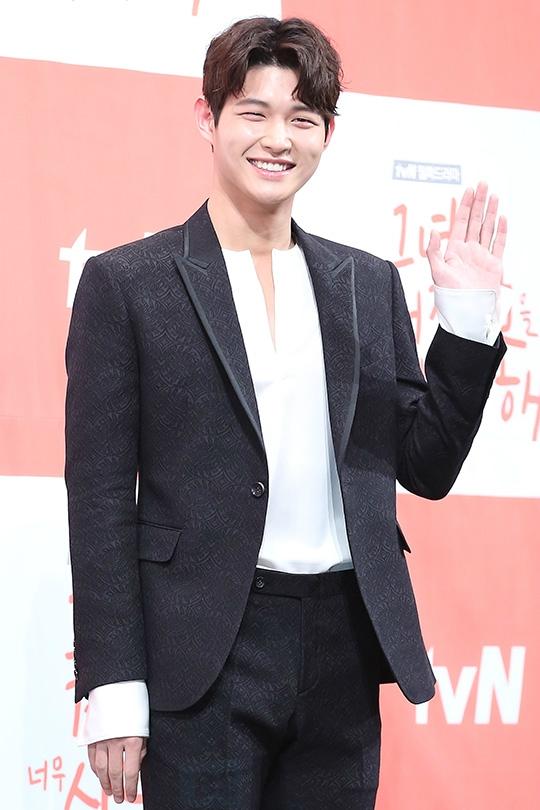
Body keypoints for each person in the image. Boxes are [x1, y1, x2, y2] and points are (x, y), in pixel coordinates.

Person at [64, 15, 508, 810]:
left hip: (342, 649)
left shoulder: (365, 283)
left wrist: (468, 320)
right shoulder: (129, 283)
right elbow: (99, 501)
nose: (278, 139)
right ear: (208, 118)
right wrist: (114, 688)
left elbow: (426, 465)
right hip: (203, 653)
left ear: (327, 135)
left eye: (302, 118)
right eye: (255, 112)